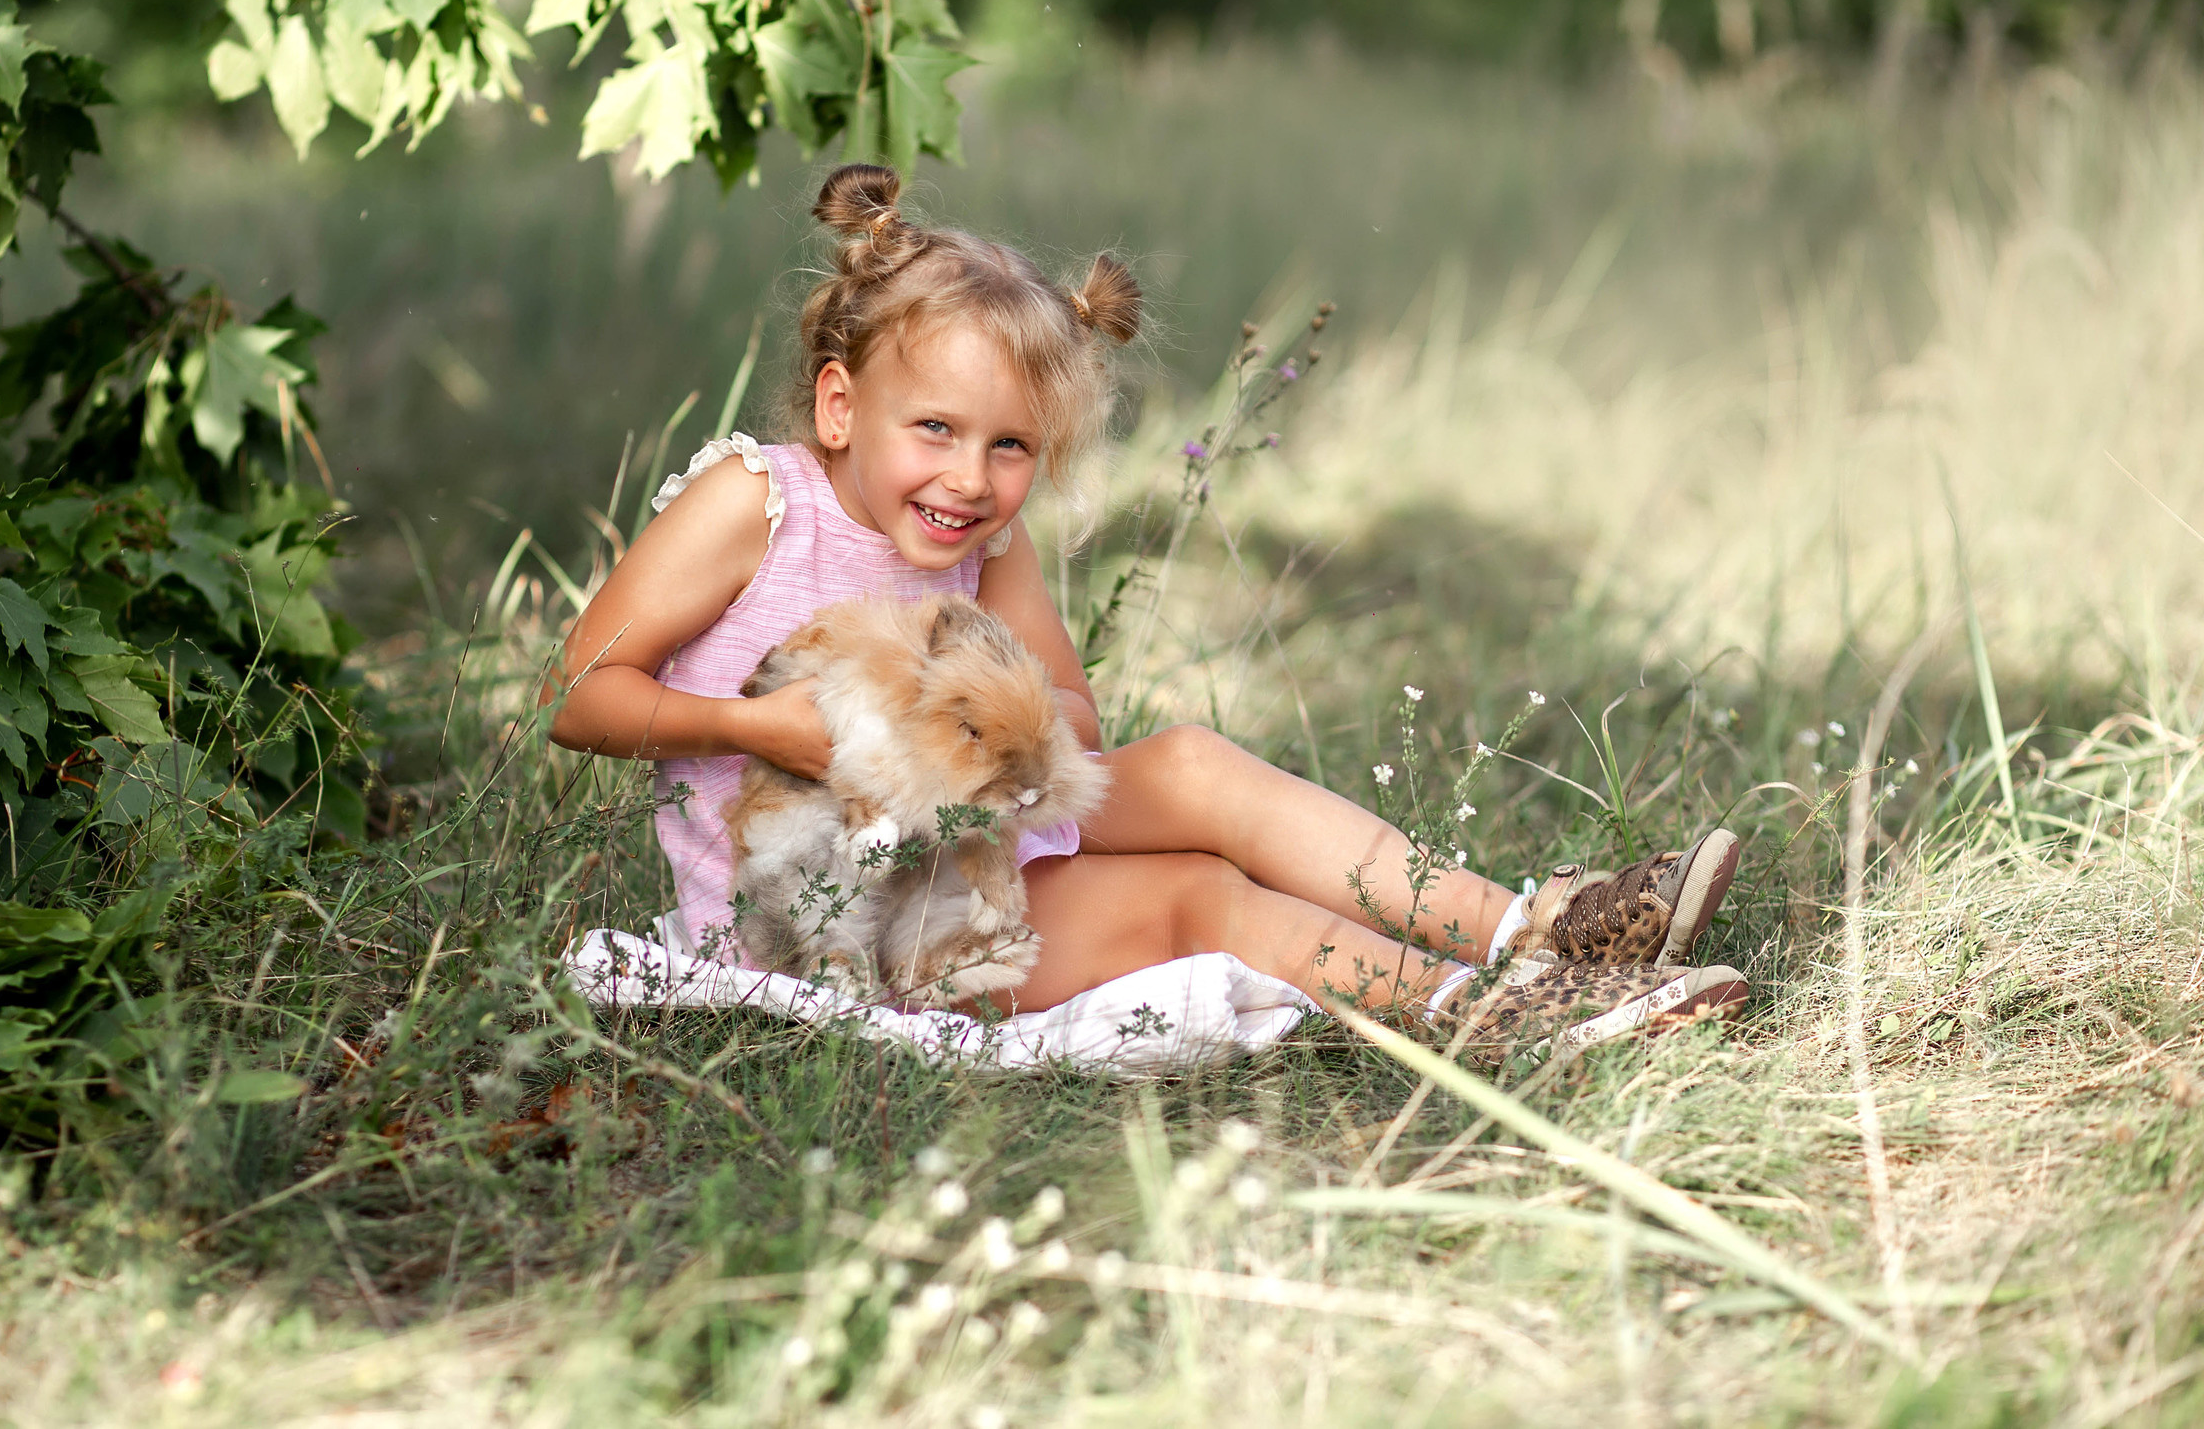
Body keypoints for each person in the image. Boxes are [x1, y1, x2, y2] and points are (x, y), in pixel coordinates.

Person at [546, 164, 1749, 1054]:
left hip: (968, 838)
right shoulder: (754, 503)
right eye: (936, 430)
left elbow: (1071, 711)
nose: (969, 478)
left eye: (1009, 445)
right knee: (1201, 898)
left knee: (1191, 765)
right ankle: (1485, 1017)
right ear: (841, 403)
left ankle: (1534, 927)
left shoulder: (986, 538)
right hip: (833, 919)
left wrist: (979, 747)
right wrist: (764, 732)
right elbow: (583, 696)